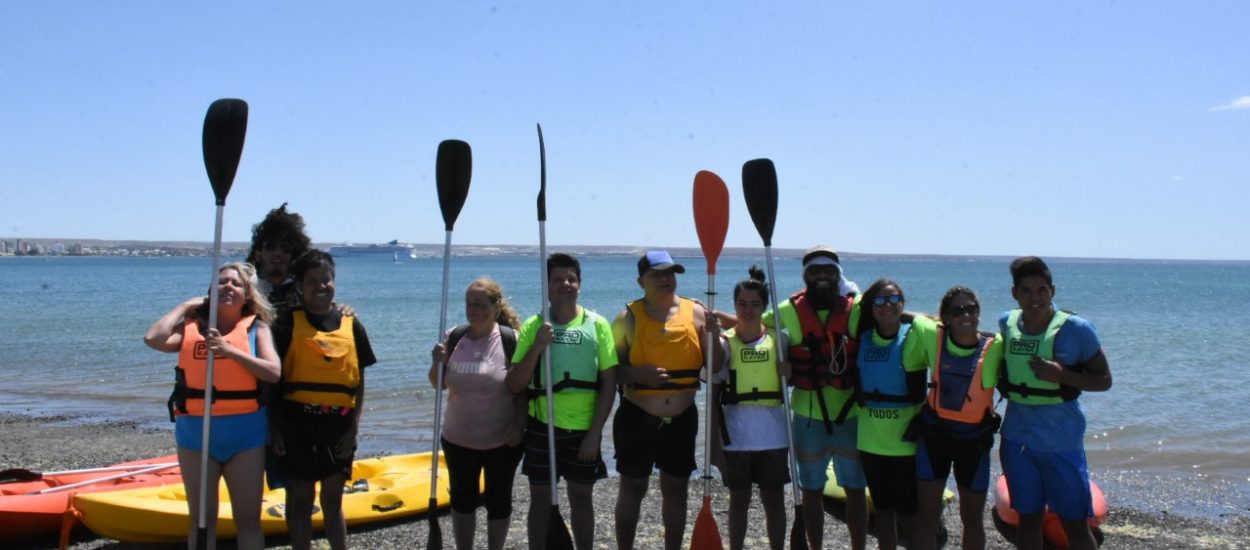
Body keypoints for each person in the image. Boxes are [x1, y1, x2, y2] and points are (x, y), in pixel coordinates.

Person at [143, 261, 282, 550]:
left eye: (235, 283)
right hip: (196, 436)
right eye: (221, 283)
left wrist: (229, 350)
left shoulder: (257, 329)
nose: (228, 287)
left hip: (246, 436)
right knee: (202, 521)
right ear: (210, 293)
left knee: (248, 520)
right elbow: (153, 338)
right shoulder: (192, 329)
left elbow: (273, 372)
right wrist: (185, 306)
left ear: (247, 294)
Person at [998, 257, 1112, 550]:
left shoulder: (1077, 329)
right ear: (1015, 294)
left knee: (1074, 523)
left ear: (1053, 290)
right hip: (1017, 439)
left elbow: (1104, 380)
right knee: (1029, 520)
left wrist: (1063, 375)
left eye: (1042, 290)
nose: (1034, 298)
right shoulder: (1007, 323)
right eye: (1026, 291)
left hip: (1060, 441)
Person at [507, 253, 617, 550]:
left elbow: (609, 384)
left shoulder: (598, 325)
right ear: (547, 286)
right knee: (540, 501)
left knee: (582, 499)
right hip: (544, 426)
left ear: (579, 285)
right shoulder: (533, 326)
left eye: (571, 279)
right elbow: (515, 383)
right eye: (558, 279)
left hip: (584, 430)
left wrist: (595, 433)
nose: (565, 284)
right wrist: (538, 347)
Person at [762, 245, 867, 550]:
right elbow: (749, 324)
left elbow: (896, 313)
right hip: (808, 419)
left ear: (839, 275)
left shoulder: (858, 308)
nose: (822, 276)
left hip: (851, 416)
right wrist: (711, 320)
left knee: (856, 489)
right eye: (815, 271)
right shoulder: (786, 312)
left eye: (829, 271)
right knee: (811, 490)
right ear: (805, 275)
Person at [270, 250, 377, 550]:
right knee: (301, 501)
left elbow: (358, 381)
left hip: (338, 425)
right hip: (297, 424)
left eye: (326, 279)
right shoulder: (286, 323)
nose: (321, 286)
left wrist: (352, 429)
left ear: (334, 282)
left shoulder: (351, 324)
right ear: (301, 286)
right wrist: (275, 429)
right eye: (313, 281)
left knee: (333, 501)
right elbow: (272, 384)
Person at [611, 250, 717, 550]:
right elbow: (609, 373)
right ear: (640, 281)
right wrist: (637, 373)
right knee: (633, 487)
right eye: (657, 274)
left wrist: (714, 336)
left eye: (670, 273)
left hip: (682, 419)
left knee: (676, 489)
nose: (665, 279)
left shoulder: (696, 312)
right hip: (637, 416)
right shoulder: (626, 317)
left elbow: (715, 364)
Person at [428, 278, 526, 550]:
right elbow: (438, 383)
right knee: (462, 501)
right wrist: (437, 361)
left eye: (479, 304)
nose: (473, 309)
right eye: (469, 303)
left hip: (501, 440)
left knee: (498, 501)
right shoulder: (454, 337)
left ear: (496, 307)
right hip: (458, 437)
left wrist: (519, 425)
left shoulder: (510, 340)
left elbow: (522, 390)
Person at [911, 286, 1003, 550]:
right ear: (946, 317)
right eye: (957, 310)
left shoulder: (995, 346)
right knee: (927, 516)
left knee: (972, 519)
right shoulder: (934, 336)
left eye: (971, 308)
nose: (966, 314)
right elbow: (909, 318)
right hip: (934, 439)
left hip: (974, 443)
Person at [853, 279, 934, 550]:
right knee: (883, 511)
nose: (886, 306)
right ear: (871, 306)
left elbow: (947, 357)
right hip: (870, 442)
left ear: (903, 303)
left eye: (893, 299)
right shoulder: (862, 337)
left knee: (908, 514)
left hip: (905, 445)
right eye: (880, 301)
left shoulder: (915, 335)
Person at [712, 266, 789, 550]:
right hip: (736, 438)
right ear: (735, 305)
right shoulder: (723, 343)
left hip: (774, 437)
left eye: (754, 304)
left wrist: (788, 371)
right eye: (742, 304)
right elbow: (713, 391)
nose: (747, 310)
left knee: (774, 501)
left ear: (764, 307)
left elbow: (793, 380)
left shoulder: (780, 341)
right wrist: (714, 445)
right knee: (738, 502)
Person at [245, 203, 312, 313]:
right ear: (258, 255)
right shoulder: (246, 291)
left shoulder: (304, 292)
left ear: (293, 256)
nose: (278, 253)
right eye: (270, 246)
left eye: (285, 248)